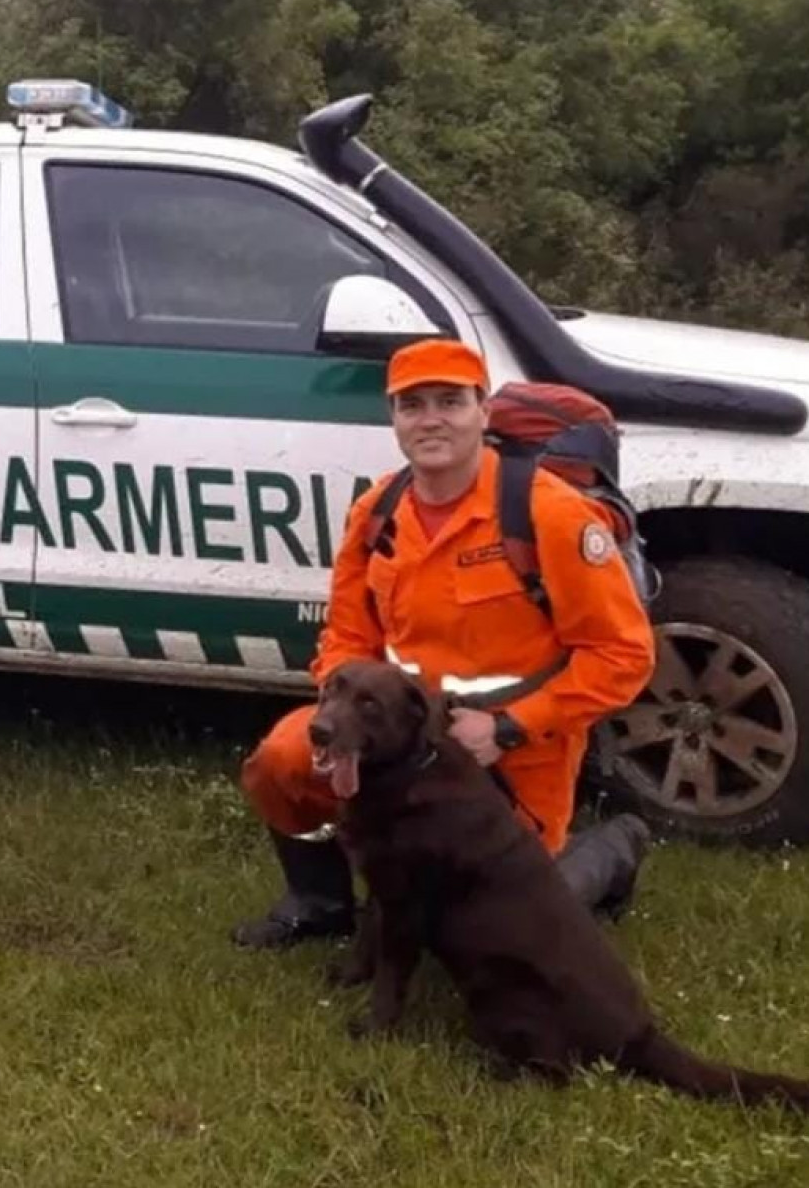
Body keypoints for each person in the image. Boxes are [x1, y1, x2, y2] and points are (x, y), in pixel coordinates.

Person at [233, 337, 657, 948]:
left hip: (511, 756)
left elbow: (624, 655)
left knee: (501, 926)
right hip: (400, 739)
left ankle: (614, 846)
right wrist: (344, 724)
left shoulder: (551, 517)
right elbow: (349, 635)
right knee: (283, 762)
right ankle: (319, 904)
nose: (430, 419)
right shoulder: (378, 511)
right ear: (394, 420)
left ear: (483, 413)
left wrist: (507, 727)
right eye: (412, 405)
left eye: (450, 402)